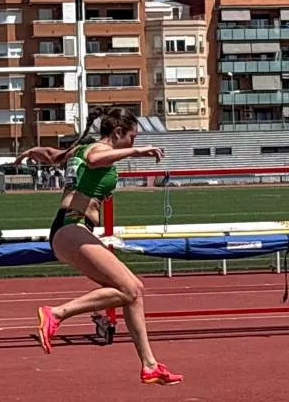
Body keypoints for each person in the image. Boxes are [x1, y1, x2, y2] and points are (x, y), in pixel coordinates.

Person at [18, 109, 181, 385]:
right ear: (117, 133)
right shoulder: (97, 152)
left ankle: (150, 365)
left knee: (132, 292)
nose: (132, 142)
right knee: (131, 288)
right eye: (132, 137)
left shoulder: (79, 149)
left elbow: (52, 156)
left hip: (70, 230)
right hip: (72, 227)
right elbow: (95, 159)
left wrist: (30, 151)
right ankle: (56, 313)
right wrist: (137, 153)